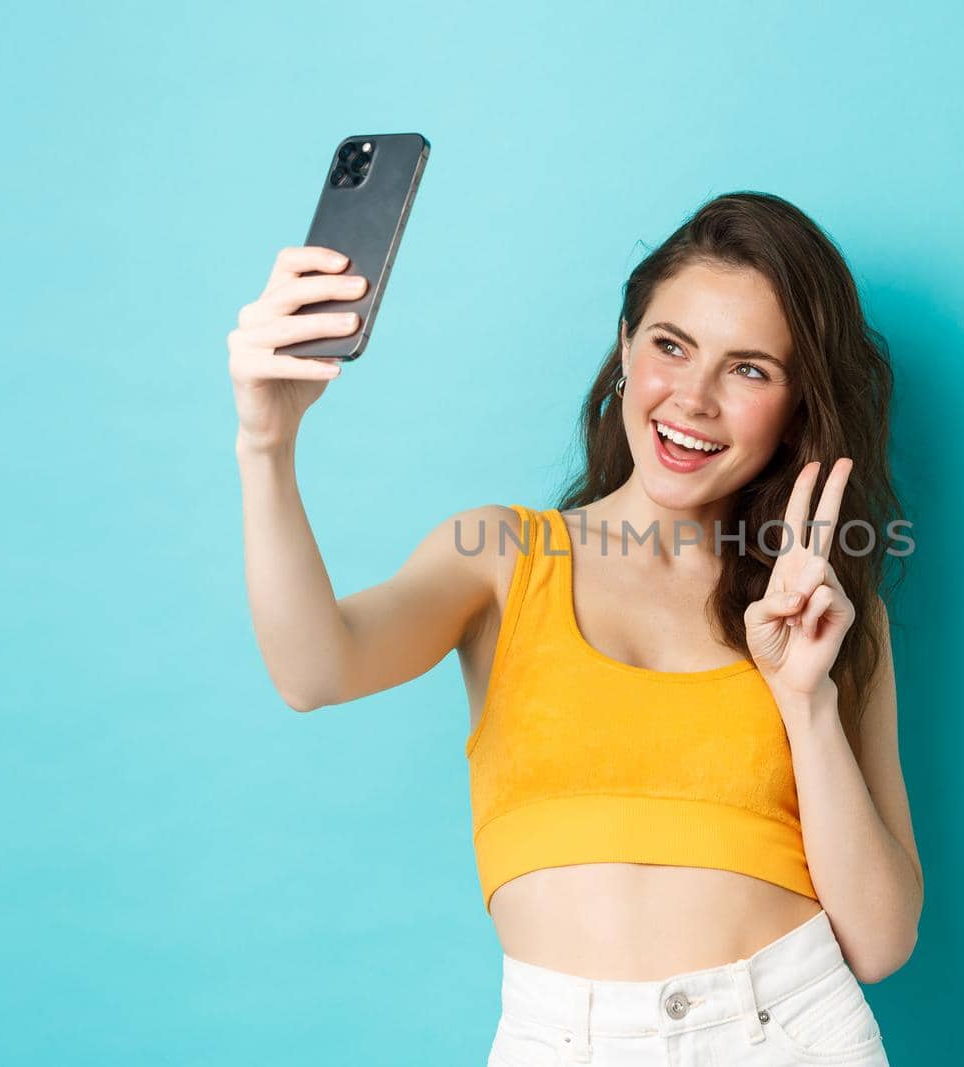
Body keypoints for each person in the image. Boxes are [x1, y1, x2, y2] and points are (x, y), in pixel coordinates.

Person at [230, 191, 923, 1064]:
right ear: (627, 348)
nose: (695, 398)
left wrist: (806, 701)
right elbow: (313, 669)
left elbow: (882, 940)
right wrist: (267, 442)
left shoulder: (823, 609)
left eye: (749, 369)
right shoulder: (502, 555)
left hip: (786, 1028)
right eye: (672, 346)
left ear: (796, 406)